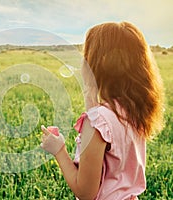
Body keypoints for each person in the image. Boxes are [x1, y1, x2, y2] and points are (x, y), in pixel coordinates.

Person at [40, 21, 164, 200]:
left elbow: (85, 193)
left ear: (97, 65)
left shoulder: (97, 122)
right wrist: (90, 96)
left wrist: (58, 150)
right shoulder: (133, 111)